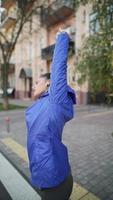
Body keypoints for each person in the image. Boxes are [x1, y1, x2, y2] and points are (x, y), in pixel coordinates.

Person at [25, 29, 76, 200]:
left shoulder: (56, 99)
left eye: (37, 82)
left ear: (49, 83)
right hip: (43, 175)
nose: (33, 86)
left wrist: (62, 37)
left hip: (56, 181)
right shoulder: (41, 103)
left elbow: (59, 67)